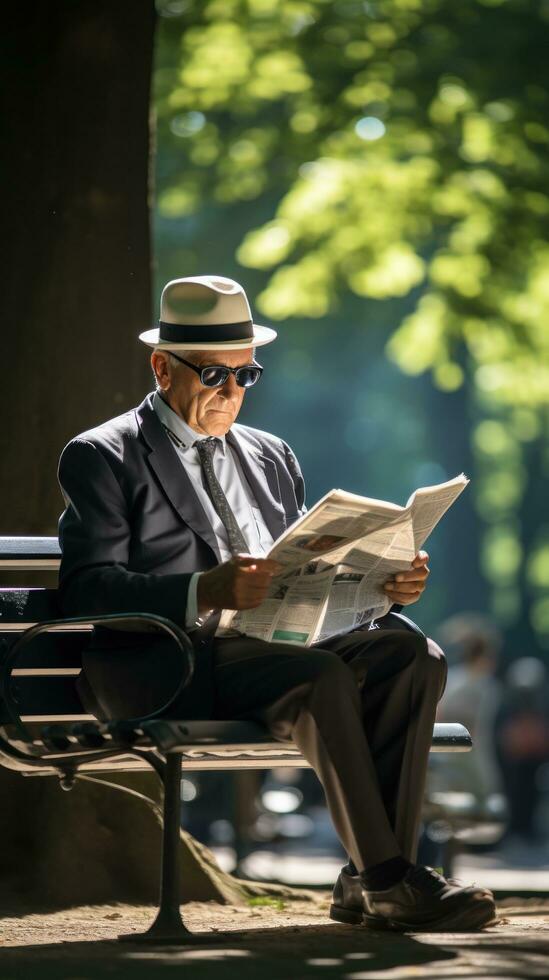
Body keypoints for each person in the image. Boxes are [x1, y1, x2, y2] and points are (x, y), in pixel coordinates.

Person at [57, 274, 496, 932]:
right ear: (161, 367)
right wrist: (201, 590)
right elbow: (88, 588)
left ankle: (366, 882)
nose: (232, 392)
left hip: (274, 648)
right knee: (317, 677)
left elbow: (304, 573)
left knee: (413, 655)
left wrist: (380, 588)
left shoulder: (270, 455)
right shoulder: (104, 455)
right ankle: (387, 880)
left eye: (246, 375)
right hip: (171, 660)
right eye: (213, 375)